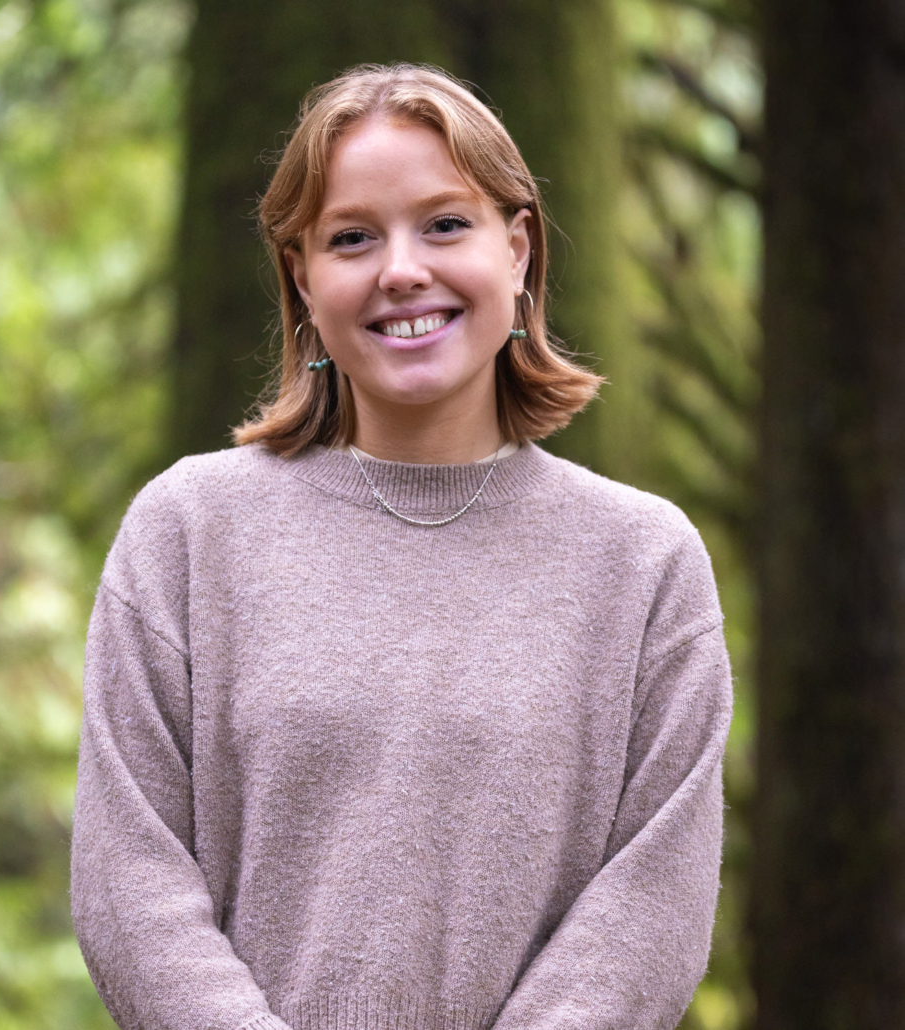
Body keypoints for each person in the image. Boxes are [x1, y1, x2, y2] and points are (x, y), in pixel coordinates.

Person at [70, 63, 733, 1030]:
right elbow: (128, 880)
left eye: (446, 224)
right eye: (352, 237)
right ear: (303, 276)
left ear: (518, 250)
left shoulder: (644, 565)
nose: (401, 270)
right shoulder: (187, 532)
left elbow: (651, 913)